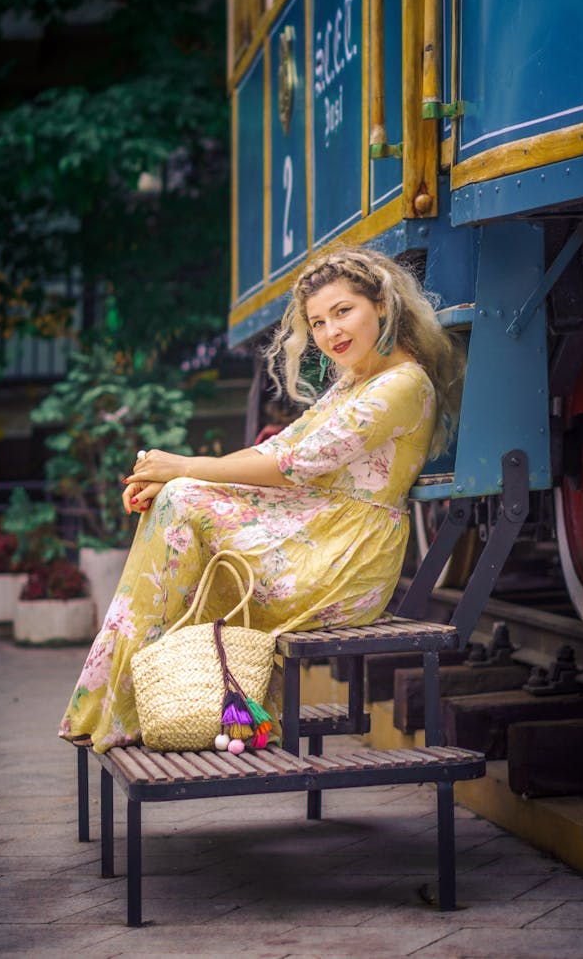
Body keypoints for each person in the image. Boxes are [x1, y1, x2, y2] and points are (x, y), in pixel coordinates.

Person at [59, 245, 463, 753]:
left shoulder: (402, 385)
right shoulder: (356, 382)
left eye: (343, 312)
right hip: (317, 536)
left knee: (183, 498)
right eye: (317, 323)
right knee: (181, 499)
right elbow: (278, 447)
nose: (331, 333)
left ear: (381, 304)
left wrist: (183, 468)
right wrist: (179, 480)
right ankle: (147, 700)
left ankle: (133, 702)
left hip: (347, 562)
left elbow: (293, 466)